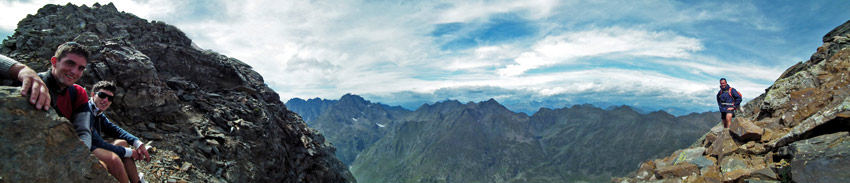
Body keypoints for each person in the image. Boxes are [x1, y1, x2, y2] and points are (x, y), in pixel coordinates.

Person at [87, 81, 150, 183]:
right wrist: (130, 152)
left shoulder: (97, 112)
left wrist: (137, 143)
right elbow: (96, 142)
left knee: (123, 143)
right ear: (93, 95)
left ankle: (136, 181)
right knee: (114, 159)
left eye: (110, 98)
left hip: (93, 145)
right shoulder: (86, 111)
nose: (105, 100)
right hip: (85, 148)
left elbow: (114, 129)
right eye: (102, 95)